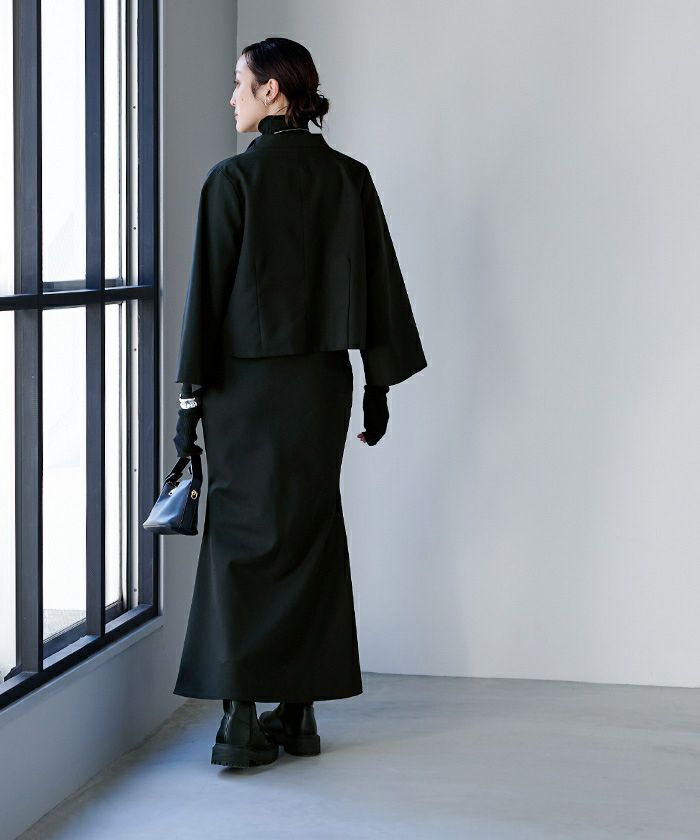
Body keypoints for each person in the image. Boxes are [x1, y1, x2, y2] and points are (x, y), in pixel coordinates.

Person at [172, 36, 427, 769]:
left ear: (272, 92)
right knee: (310, 535)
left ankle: (239, 719)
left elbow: (207, 298)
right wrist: (377, 387)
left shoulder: (232, 181)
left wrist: (188, 407)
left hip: (244, 391)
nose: (231, 97)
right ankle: (299, 712)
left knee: (239, 542)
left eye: (240, 84)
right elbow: (379, 286)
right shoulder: (349, 179)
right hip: (320, 387)